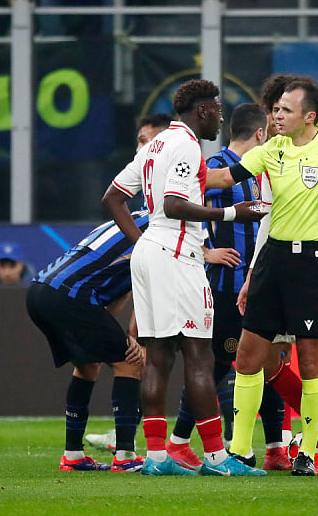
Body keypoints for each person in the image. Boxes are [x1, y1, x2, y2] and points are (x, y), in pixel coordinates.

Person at [102, 79, 267, 477]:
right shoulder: (185, 144)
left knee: (158, 358)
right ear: (204, 110)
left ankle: (157, 459)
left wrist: (145, 240)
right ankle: (215, 458)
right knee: (198, 355)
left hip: (151, 252)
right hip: (176, 255)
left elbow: (113, 196)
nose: (221, 118)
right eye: (218, 110)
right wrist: (232, 214)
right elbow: (175, 205)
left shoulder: (155, 145)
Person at [207, 78, 318, 476]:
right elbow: (225, 179)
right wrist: (170, 175)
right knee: (248, 355)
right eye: (276, 109)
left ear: (309, 116)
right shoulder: (271, 148)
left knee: (312, 358)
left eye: (285, 110)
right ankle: (241, 451)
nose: (276, 115)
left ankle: (309, 453)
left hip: (312, 261)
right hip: (271, 259)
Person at [163, 103, 277, 471]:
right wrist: (207, 251)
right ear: (260, 134)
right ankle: (180, 443)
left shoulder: (260, 171)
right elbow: (177, 211)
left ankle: (276, 446)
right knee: (220, 365)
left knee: (266, 363)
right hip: (226, 285)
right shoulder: (213, 167)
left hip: (258, 280)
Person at [26, 211, 149, 472]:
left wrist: (111, 334)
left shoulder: (131, 219)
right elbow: (148, 287)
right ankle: (126, 455)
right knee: (130, 361)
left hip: (41, 290)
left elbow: (122, 286)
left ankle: (73, 455)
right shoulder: (161, 231)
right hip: (71, 294)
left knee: (88, 365)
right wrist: (133, 339)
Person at [84, 113, 172, 453]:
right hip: (160, 271)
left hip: (193, 271)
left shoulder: (179, 177)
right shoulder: (146, 189)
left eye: (146, 141)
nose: (140, 148)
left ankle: (173, 442)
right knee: (150, 354)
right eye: (138, 140)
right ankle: (137, 436)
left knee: (206, 359)